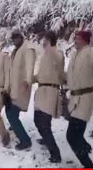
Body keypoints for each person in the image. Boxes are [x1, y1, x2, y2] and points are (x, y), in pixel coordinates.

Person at [66, 25, 93, 168]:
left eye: (78, 38)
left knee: (72, 137)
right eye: (75, 38)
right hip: (75, 99)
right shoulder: (75, 54)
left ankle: (89, 166)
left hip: (84, 99)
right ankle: (86, 149)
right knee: (76, 135)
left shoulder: (90, 52)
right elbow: (71, 75)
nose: (75, 41)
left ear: (85, 40)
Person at [33, 31, 65, 163]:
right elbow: (42, 73)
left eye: (45, 40)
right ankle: (46, 139)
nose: (43, 42)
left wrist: (50, 47)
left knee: (44, 123)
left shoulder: (58, 53)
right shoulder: (44, 55)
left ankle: (55, 154)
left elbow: (58, 62)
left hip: (51, 90)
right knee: (37, 119)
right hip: (41, 90)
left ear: (51, 40)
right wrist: (30, 79)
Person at [6, 30, 36, 150]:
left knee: (11, 114)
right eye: (13, 39)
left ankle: (25, 140)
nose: (14, 41)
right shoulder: (16, 50)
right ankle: (15, 127)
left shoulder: (27, 49)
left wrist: (28, 81)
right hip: (14, 87)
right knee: (13, 110)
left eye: (16, 38)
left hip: (22, 86)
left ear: (21, 37)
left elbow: (30, 66)